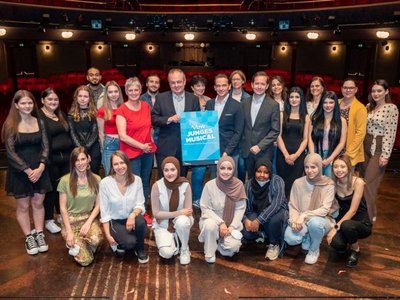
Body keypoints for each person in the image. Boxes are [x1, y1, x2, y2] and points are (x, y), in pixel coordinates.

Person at [2, 90, 52, 255]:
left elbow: (45, 146)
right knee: (23, 206)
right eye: (23, 103)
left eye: (30, 102)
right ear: (16, 105)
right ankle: (29, 237)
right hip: (20, 171)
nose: (27, 106)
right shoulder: (10, 125)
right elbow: (10, 152)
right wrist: (28, 170)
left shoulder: (40, 122)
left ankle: (39, 234)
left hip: (39, 169)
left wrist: (41, 166)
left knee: (38, 203)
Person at [192, 74, 244, 207]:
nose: (221, 88)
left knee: (230, 182)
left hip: (230, 152)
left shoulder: (237, 106)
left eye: (224, 85)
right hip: (212, 151)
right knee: (215, 181)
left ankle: (231, 208)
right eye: (218, 86)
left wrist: (227, 152)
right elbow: (205, 128)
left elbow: (238, 132)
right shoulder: (209, 104)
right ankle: (214, 207)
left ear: (229, 86)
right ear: (214, 87)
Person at [116, 77, 156, 225]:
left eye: (136, 89)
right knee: (133, 184)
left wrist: (149, 144)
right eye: (130, 90)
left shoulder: (146, 106)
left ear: (140, 91)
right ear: (126, 91)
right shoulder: (122, 109)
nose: (133, 92)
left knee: (145, 182)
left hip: (147, 152)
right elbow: (122, 136)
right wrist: (142, 146)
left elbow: (149, 127)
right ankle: (132, 213)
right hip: (131, 153)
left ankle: (143, 211)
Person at [284, 153, 336, 265]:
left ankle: (314, 249)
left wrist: (304, 215)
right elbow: (293, 205)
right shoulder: (298, 183)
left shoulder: (328, 184)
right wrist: (294, 220)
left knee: (315, 223)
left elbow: (325, 210)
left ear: (319, 167)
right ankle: (307, 235)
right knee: (290, 238)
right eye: (306, 167)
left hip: (322, 220)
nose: (309, 170)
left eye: (313, 167)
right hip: (301, 220)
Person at [99, 150, 149, 263]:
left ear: (127, 163)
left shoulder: (137, 180)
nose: (119, 166)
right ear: (111, 166)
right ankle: (124, 242)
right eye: (116, 164)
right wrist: (107, 235)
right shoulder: (105, 183)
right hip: (115, 221)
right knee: (129, 243)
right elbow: (105, 212)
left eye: (122, 163)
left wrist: (132, 215)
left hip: (132, 218)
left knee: (141, 221)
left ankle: (140, 248)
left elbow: (140, 204)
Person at [360, 79, 398, 222]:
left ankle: (368, 217)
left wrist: (386, 154)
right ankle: (368, 211)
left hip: (379, 147)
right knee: (362, 181)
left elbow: (391, 132)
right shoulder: (369, 106)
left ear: (386, 91)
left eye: (379, 91)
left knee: (369, 183)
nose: (375, 94)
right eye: (374, 91)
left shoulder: (391, 108)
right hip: (366, 145)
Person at [58, 147, 103, 266]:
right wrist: (69, 232)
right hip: (71, 220)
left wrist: (88, 223)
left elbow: (98, 204)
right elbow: (62, 208)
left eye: (83, 159)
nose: (80, 163)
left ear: (89, 159)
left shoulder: (97, 179)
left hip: (88, 218)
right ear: (73, 163)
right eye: (76, 160)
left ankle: (82, 244)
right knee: (86, 261)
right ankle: (77, 244)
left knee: (96, 239)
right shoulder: (64, 181)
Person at [151, 68, 200, 177]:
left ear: (184, 82)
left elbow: (198, 123)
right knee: (164, 182)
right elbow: (153, 119)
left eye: (179, 82)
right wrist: (169, 119)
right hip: (165, 148)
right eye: (173, 83)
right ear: (169, 83)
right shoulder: (161, 98)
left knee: (182, 181)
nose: (176, 85)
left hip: (186, 149)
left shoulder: (193, 99)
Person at [198, 156, 247, 263]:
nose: (226, 172)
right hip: (213, 221)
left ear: (234, 170)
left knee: (233, 249)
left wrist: (232, 226)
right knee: (210, 225)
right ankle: (209, 251)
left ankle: (218, 244)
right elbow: (205, 208)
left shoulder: (239, 185)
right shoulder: (209, 185)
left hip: (231, 224)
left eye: (229, 169)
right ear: (218, 169)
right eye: (222, 168)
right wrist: (220, 223)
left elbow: (240, 209)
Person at [38, 88, 73, 234]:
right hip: (51, 160)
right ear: (43, 100)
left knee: (63, 189)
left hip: (66, 159)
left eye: (55, 100)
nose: (53, 102)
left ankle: (60, 215)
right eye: (50, 99)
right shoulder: (39, 117)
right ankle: (48, 220)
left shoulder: (60, 115)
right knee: (51, 190)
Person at [327, 154, 372, 267]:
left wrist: (335, 228)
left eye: (342, 166)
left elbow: (352, 210)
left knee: (347, 226)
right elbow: (336, 206)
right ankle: (348, 239)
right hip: (345, 219)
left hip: (361, 221)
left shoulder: (358, 183)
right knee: (336, 244)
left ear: (349, 167)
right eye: (336, 166)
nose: (339, 170)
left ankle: (355, 250)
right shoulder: (334, 184)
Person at [242, 159, 288, 260]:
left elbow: (277, 204)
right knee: (247, 234)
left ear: (270, 172)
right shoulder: (249, 184)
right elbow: (243, 207)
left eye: (266, 172)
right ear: (254, 171)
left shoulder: (277, 181)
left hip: (277, 212)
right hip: (257, 211)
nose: (262, 175)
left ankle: (274, 244)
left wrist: (259, 220)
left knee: (273, 221)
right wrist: (246, 220)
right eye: (259, 171)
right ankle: (262, 233)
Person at [151, 157, 193, 265]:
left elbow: (187, 212)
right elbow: (156, 214)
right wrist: (179, 212)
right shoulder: (156, 186)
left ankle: (184, 248)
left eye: (173, 170)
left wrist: (180, 215)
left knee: (182, 221)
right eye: (166, 170)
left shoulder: (185, 185)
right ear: (162, 171)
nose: (169, 173)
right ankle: (174, 241)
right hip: (163, 224)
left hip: (181, 221)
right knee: (167, 253)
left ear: (178, 169)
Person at [241, 71, 280, 179]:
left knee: (263, 181)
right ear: (252, 84)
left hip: (264, 152)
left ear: (267, 86)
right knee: (250, 180)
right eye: (257, 83)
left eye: (262, 84)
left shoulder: (273, 105)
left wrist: (260, 146)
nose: (259, 86)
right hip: (247, 151)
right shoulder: (244, 103)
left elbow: (275, 131)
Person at [276, 87, 310, 198]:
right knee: (282, 183)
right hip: (282, 154)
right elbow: (278, 136)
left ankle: (292, 210)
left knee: (294, 184)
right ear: (288, 99)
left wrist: (295, 155)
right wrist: (286, 154)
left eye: (297, 97)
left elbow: (305, 139)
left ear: (301, 99)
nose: (294, 99)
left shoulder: (306, 117)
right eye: (291, 97)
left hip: (298, 157)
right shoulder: (282, 114)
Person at [309, 91, 347, 177]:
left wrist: (330, 158)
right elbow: (310, 138)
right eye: (325, 102)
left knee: (329, 184)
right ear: (321, 104)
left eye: (331, 102)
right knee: (314, 183)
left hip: (332, 156)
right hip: (315, 153)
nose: (328, 105)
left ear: (335, 104)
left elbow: (342, 143)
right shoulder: (314, 118)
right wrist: (313, 156)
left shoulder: (342, 121)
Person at [68, 85, 101, 174]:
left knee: (94, 174)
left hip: (93, 148)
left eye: (85, 96)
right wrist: (82, 151)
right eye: (80, 96)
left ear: (90, 98)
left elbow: (95, 133)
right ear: (76, 98)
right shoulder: (70, 114)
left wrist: (85, 150)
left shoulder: (95, 113)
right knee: (79, 175)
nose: (82, 99)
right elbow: (72, 133)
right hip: (77, 148)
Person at [96, 81, 124, 175]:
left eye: (116, 91)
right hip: (109, 143)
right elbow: (100, 132)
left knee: (124, 172)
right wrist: (103, 148)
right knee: (110, 173)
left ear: (119, 92)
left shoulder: (124, 107)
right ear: (106, 94)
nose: (113, 94)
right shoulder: (102, 110)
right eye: (110, 92)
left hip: (124, 142)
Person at [339, 78, 367, 168]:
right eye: (345, 87)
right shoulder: (335, 103)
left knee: (345, 181)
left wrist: (348, 153)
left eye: (351, 88)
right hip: (332, 149)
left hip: (348, 151)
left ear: (356, 90)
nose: (348, 90)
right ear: (341, 89)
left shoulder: (360, 108)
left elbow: (360, 133)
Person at [229, 70, 251, 182]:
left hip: (243, 138)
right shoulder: (225, 96)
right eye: (233, 79)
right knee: (229, 167)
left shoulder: (248, 98)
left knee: (242, 167)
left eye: (238, 79)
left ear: (243, 81)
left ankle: (240, 189)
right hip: (228, 136)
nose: (235, 81)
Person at [267, 75, 287, 175]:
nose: (276, 87)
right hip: (272, 141)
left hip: (285, 139)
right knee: (273, 167)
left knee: (282, 167)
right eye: (273, 85)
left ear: (282, 86)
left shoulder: (288, 102)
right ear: (270, 87)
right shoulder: (266, 102)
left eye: (278, 84)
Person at [141, 73, 161, 144]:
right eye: (151, 82)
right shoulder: (140, 99)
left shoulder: (164, 98)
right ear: (146, 84)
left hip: (161, 136)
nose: (154, 84)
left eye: (156, 82)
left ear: (159, 85)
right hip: (145, 136)